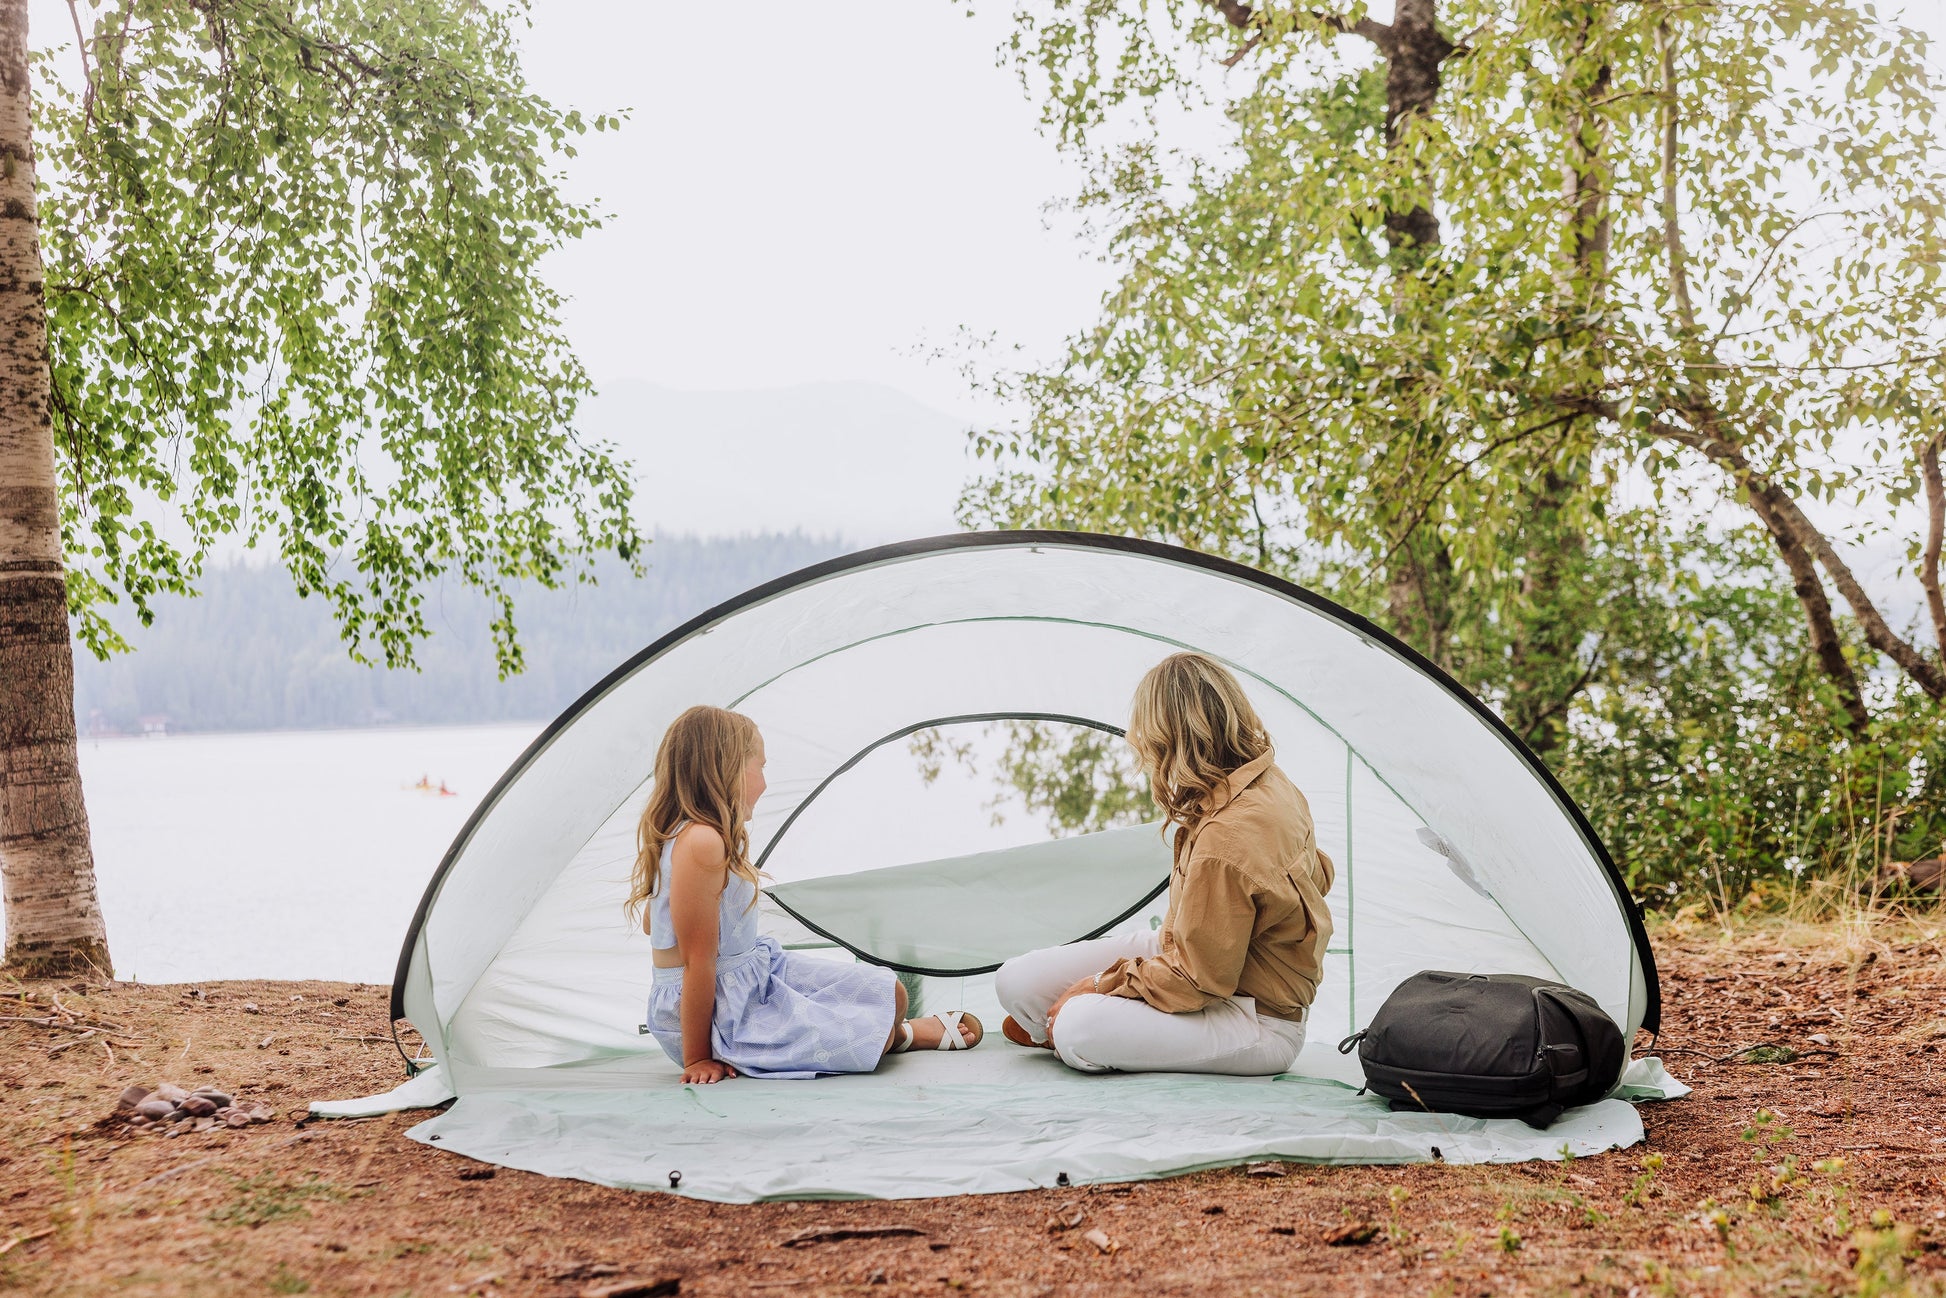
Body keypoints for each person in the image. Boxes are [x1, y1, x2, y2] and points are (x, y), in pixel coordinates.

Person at [994, 652, 1333, 1075]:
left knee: (1079, 1027)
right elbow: (1320, 874)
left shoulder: (1227, 838)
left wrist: (1100, 985)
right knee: (1015, 980)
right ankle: (1074, 1027)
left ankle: (1072, 1032)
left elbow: (1198, 981)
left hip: (1254, 1017)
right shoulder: (1264, 777)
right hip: (1187, 952)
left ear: (1172, 739)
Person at [629, 705, 982, 1083]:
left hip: (757, 973)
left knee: (891, 994)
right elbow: (696, 962)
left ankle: (887, 1031)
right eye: (760, 766)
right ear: (726, 768)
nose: (765, 784)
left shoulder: (695, 838)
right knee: (866, 1042)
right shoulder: (699, 841)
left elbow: (657, 923)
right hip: (723, 1014)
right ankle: (902, 1036)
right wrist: (697, 1057)